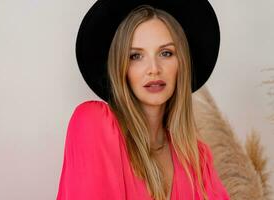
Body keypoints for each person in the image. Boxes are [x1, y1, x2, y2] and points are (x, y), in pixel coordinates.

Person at [56, 0, 230, 200]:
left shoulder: (197, 159)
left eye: (166, 53)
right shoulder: (94, 124)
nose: (154, 68)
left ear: (181, 63)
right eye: (136, 56)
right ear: (121, 67)